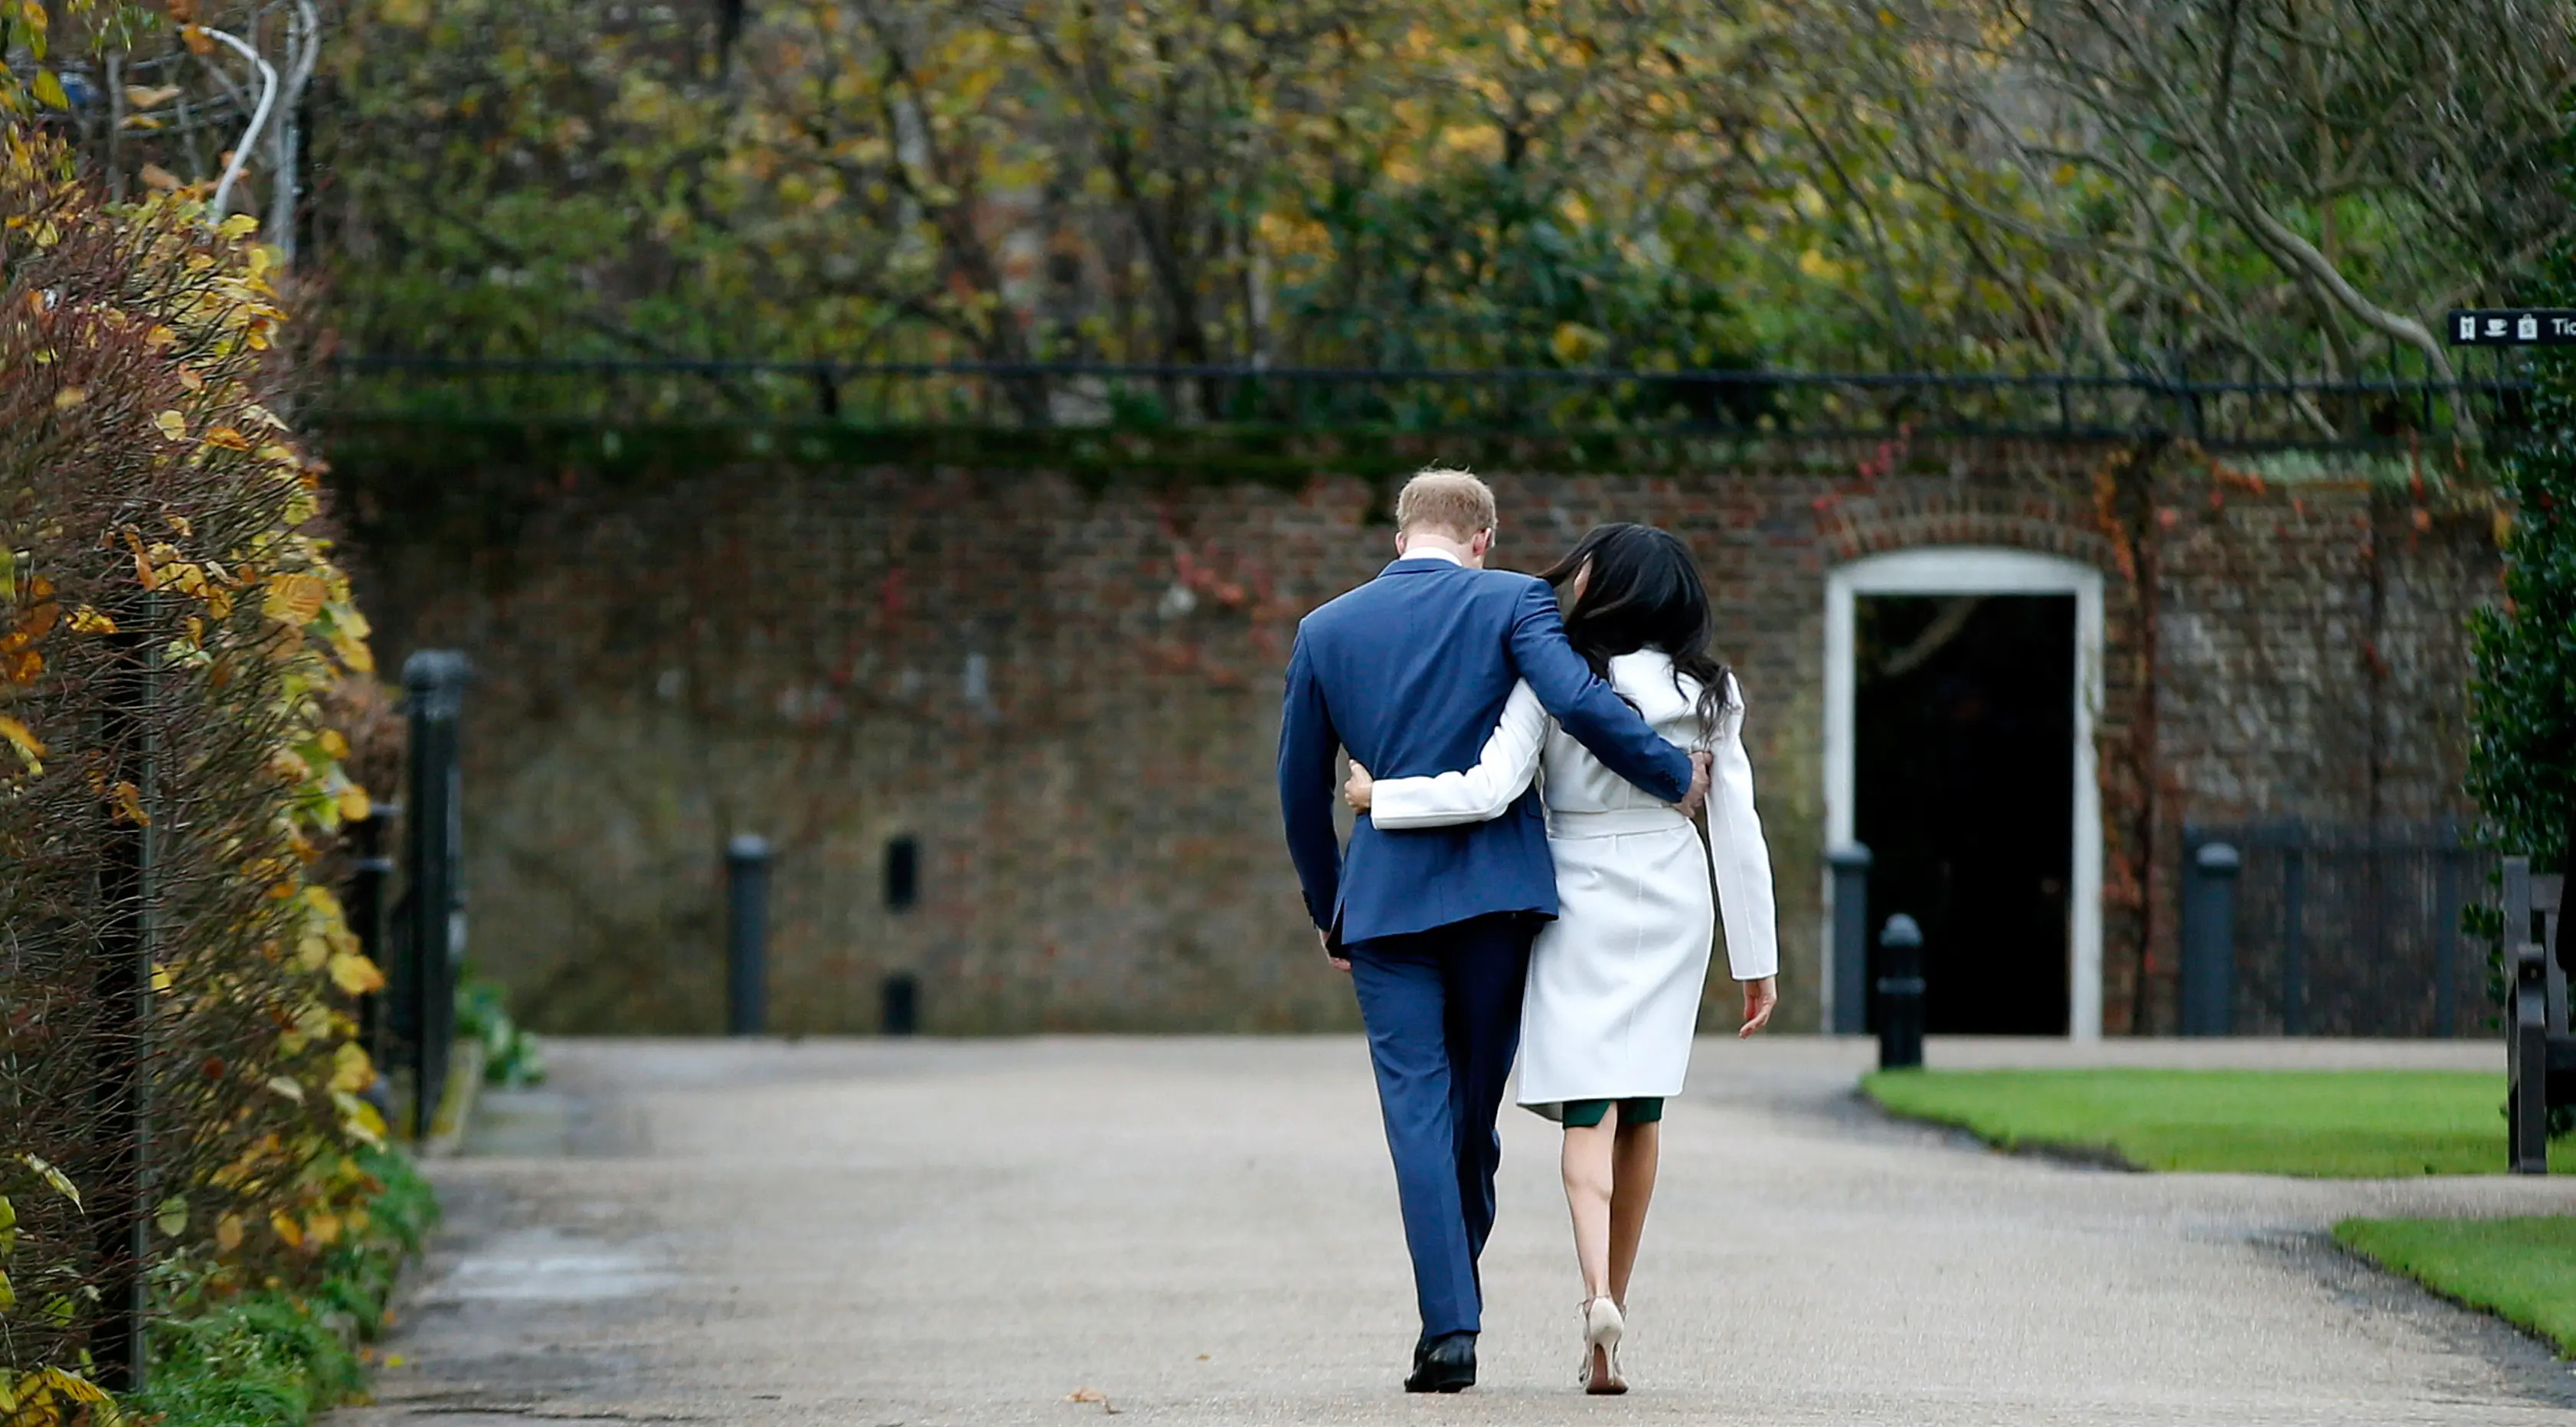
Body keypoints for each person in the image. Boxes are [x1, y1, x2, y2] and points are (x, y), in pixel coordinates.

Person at [1277, 472, 1711, 1393]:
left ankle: (1449, 1322)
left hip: (1385, 905)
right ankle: (1453, 1309)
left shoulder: (1325, 630)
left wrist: (1330, 909)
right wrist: (1671, 775)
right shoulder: (1514, 599)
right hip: (1496, 903)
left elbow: (1297, 792)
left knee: (1417, 1111)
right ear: (1484, 537)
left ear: (1401, 538)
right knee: (1471, 1111)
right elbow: (1582, 707)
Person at [1345, 522, 1779, 1395]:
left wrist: (1377, 794)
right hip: (1672, 888)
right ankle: (1612, 1305)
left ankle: (1591, 1294)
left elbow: (1490, 787)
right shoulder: (1710, 690)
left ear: (1603, 586)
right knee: (1643, 1103)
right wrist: (1755, 959)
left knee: (1590, 1106)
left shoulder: (1557, 677)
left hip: (1578, 886)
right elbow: (1740, 833)